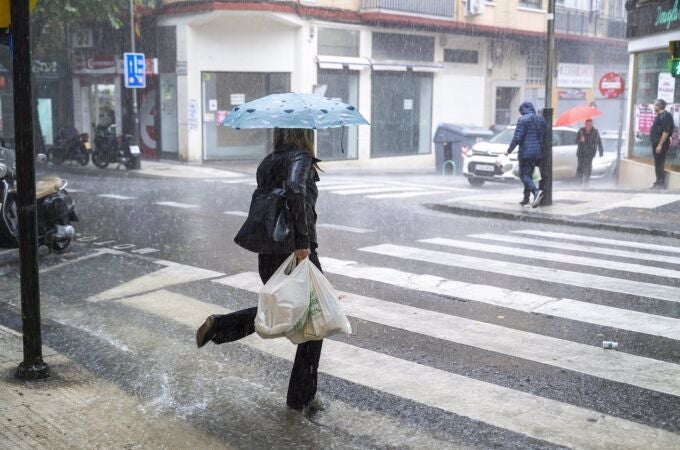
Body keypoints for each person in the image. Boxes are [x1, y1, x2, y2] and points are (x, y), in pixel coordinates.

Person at [195, 128, 323, 411]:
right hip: (296, 251)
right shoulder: (300, 157)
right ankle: (300, 398)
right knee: (315, 317)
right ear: (305, 133)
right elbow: (295, 189)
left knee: (288, 310)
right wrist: (303, 243)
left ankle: (220, 326)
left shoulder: (269, 161)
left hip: (269, 252)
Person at [506, 102, 546, 207]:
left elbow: (517, 138)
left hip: (526, 153)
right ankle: (526, 198)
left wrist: (509, 150)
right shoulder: (540, 119)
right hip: (536, 153)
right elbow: (543, 138)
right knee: (528, 175)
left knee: (523, 175)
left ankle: (536, 192)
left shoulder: (523, 120)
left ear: (523, 110)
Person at [650, 99, 675, 189]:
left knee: (660, 162)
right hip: (656, 142)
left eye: (655, 105)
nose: (654, 106)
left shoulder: (666, 116)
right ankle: (658, 181)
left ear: (660, 106)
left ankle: (660, 183)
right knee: (657, 162)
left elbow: (666, 132)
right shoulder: (659, 116)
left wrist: (660, 144)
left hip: (661, 143)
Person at [575, 119, 604, 186]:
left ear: (592, 124)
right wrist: (580, 140)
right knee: (580, 168)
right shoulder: (581, 131)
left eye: (590, 125)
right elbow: (575, 141)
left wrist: (601, 152)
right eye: (587, 124)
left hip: (590, 153)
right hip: (581, 153)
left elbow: (599, 142)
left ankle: (586, 183)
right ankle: (578, 184)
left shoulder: (595, 132)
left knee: (588, 169)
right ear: (585, 124)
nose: (588, 126)